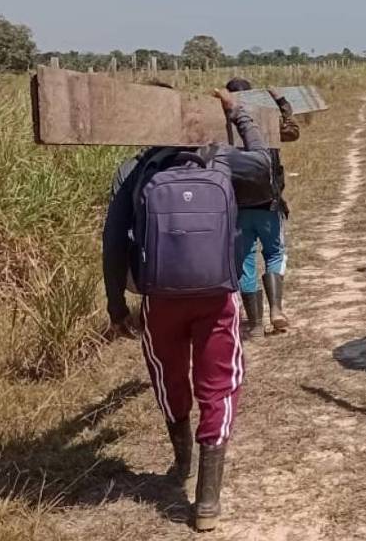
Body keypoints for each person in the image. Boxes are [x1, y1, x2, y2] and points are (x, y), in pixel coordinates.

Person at [103, 88, 273, 532]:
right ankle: (207, 501)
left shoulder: (135, 168)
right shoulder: (220, 159)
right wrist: (239, 114)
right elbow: (265, 164)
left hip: (159, 297)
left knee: (169, 374)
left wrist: (116, 302)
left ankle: (181, 463)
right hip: (217, 294)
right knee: (219, 385)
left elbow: (113, 237)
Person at [224, 78, 300, 339]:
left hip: (237, 208)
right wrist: (281, 102)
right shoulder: (266, 125)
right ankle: (276, 309)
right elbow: (292, 130)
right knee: (275, 254)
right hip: (268, 204)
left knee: (244, 262)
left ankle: (255, 324)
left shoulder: (220, 128)